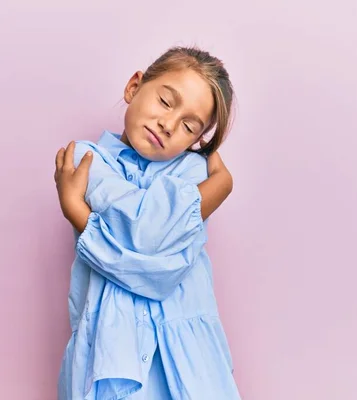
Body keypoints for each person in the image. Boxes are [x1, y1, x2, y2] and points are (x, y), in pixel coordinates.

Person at [54, 46, 241, 399]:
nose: (168, 125)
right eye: (166, 102)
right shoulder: (85, 160)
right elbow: (145, 235)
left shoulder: (191, 171)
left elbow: (160, 257)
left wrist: (78, 212)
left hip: (192, 366)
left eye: (189, 126)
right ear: (134, 86)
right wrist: (218, 187)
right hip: (111, 361)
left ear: (196, 141)